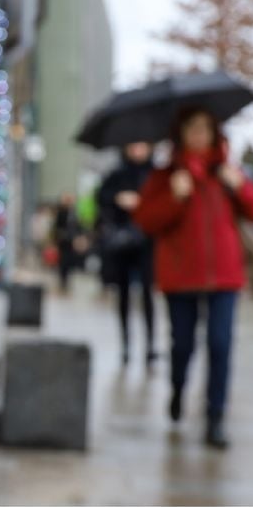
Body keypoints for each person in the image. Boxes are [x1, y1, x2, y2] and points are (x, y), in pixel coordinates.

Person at [134, 107, 253, 449]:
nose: (199, 136)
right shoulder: (165, 178)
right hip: (181, 275)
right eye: (192, 129)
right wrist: (176, 197)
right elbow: (147, 221)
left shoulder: (225, 174)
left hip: (224, 275)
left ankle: (215, 417)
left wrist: (240, 188)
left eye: (205, 129)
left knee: (221, 345)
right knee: (183, 345)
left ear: (214, 134)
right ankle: (178, 388)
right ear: (181, 135)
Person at [96, 141, 156, 368]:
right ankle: (126, 345)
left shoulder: (154, 174)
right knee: (123, 296)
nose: (138, 149)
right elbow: (101, 199)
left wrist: (143, 204)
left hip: (147, 243)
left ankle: (150, 346)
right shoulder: (116, 174)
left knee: (148, 295)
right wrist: (118, 199)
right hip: (122, 245)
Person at [53, 193, 83, 293]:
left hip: (71, 242)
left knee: (70, 262)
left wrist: (78, 238)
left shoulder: (74, 213)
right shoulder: (61, 213)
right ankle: (63, 281)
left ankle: (67, 281)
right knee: (63, 262)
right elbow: (57, 228)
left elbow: (78, 227)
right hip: (63, 242)